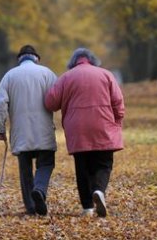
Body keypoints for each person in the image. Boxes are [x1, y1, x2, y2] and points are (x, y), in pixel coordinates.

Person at [44, 48, 124, 218]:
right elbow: (118, 102)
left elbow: (51, 103)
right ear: (93, 60)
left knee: (82, 167)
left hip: (77, 128)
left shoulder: (66, 77)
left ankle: (87, 207)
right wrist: (117, 121)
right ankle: (99, 190)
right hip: (102, 124)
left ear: (73, 62)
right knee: (104, 163)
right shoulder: (106, 74)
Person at [0, 45, 58, 216]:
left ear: (19, 58)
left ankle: (31, 206)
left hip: (21, 132)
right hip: (43, 129)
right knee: (46, 163)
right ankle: (40, 190)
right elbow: (58, 99)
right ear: (37, 58)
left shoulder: (10, 76)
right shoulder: (47, 73)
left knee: (25, 169)